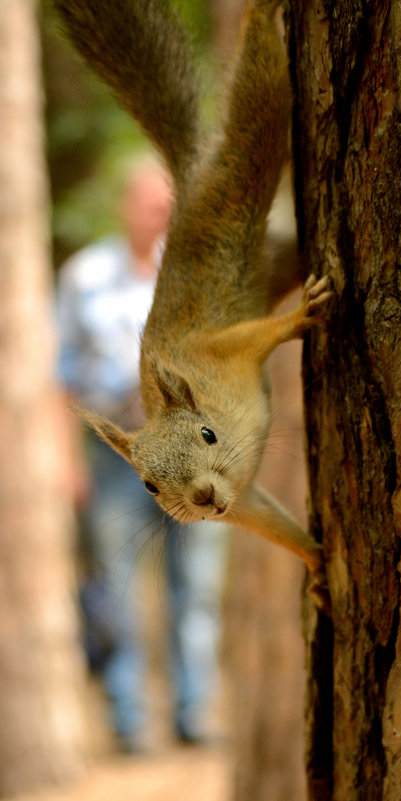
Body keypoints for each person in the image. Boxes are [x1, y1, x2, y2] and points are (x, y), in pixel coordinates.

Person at [57, 160, 226, 753]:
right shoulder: (85, 275)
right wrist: (68, 463)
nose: (161, 211)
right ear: (127, 205)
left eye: (168, 202)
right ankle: (130, 725)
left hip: (189, 458)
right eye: (152, 201)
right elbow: (65, 382)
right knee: (118, 584)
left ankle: (192, 715)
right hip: (118, 461)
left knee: (197, 587)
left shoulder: (191, 275)